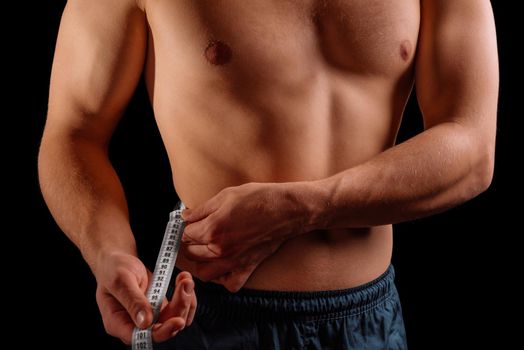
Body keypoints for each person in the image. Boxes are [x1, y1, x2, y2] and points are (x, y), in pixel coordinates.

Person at [38, 0, 498, 348]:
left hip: (369, 322)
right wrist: (109, 252)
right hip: (205, 315)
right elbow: (74, 131)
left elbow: (472, 148)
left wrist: (303, 208)